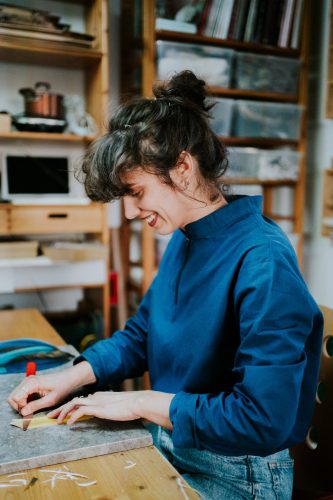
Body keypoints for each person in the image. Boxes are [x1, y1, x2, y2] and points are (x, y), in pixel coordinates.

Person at [8, 70, 323, 499]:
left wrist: (139, 401)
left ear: (183, 166)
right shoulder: (185, 236)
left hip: (238, 471)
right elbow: (143, 333)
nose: (132, 211)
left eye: (136, 191)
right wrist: (73, 376)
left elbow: (264, 418)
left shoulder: (262, 260)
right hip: (171, 439)